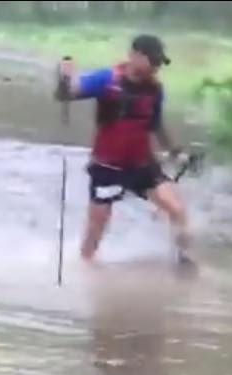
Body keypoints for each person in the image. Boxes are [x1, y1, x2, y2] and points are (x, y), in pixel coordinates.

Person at [56, 34, 192, 268]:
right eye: (153, 61)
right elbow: (66, 94)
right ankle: (86, 272)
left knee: (177, 210)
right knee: (95, 233)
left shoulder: (155, 89)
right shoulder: (107, 79)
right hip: (107, 167)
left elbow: (156, 125)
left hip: (142, 164)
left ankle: (183, 261)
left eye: (159, 63)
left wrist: (173, 151)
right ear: (134, 55)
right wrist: (64, 78)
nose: (156, 68)